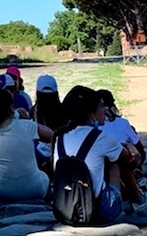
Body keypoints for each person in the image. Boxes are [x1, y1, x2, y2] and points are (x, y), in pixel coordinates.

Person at [52, 86, 134, 224]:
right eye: (101, 106)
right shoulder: (101, 138)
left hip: (64, 210)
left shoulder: (59, 137)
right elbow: (126, 157)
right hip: (97, 211)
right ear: (91, 114)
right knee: (114, 160)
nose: (104, 111)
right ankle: (138, 199)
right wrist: (131, 149)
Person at [0, 88, 52, 202]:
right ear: (11, 107)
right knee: (44, 173)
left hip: (2, 192)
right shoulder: (27, 126)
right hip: (36, 189)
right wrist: (27, 120)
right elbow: (52, 136)